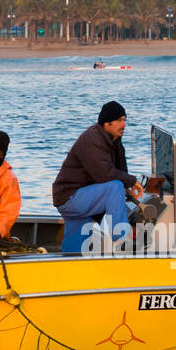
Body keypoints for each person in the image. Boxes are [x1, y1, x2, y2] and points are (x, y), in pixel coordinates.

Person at [51, 100, 143, 253]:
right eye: (119, 120)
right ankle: (122, 238)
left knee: (75, 248)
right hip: (70, 197)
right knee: (115, 187)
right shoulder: (92, 140)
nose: (124, 124)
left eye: (125, 120)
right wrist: (132, 181)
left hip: (75, 197)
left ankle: (69, 265)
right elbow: (105, 174)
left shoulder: (114, 141)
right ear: (107, 123)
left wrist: (128, 188)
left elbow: (120, 171)